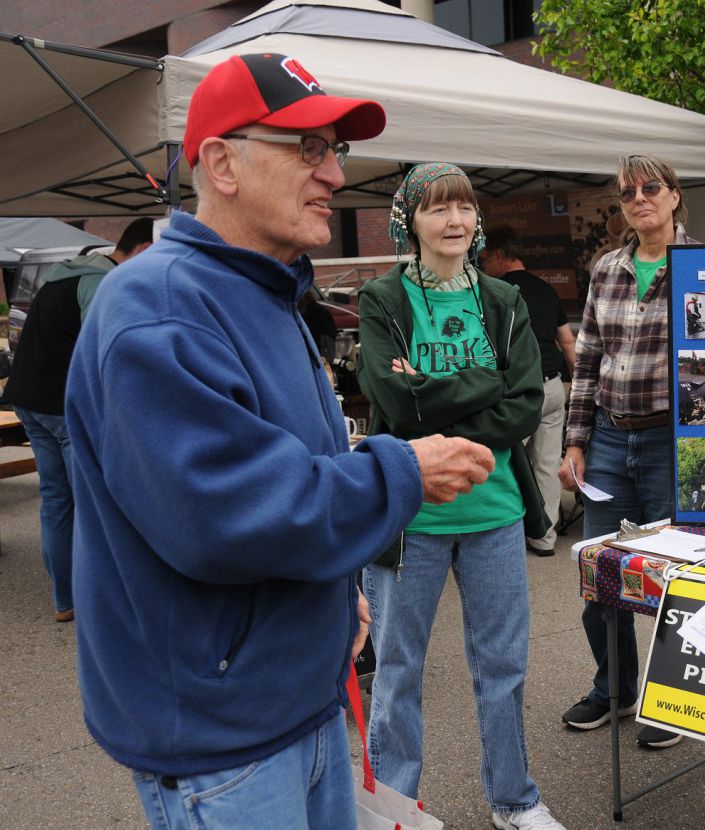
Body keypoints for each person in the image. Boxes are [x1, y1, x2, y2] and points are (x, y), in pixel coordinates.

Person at [64, 53, 495, 829]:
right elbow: (226, 516)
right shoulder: (158, 307)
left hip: (299, 701)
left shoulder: (267, 291)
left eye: (336, 150)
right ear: (223, 164)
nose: (333, 174)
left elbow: (301, 466)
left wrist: (340, 595)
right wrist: (400, 470)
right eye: (308, 148)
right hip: (222, 741)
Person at [357, 163, 564, 830]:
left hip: (494, 512)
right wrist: (484, 381)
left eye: (465, 208)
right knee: (397, 670)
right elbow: (393, 400)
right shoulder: (383, 300)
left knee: (502, 666)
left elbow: (524, 408)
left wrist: (437, 404)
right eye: (437, 209)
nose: (455, 221)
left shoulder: (503, 302)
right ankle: (394, 810)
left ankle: (514, 800)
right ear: (408, 222)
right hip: (410, 516)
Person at [558, 154, 694, 749]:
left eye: (649, 188)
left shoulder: (700, 267)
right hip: (611, 436)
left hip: (673, 440)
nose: (638, 199)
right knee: (600, 571)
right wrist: (576, 440)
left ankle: (676, 703)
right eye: (626, 193)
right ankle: (614, 691)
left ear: (673, 196)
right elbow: (587, 361)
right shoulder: (607, 267)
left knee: (676, 578)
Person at [3, 217, 152, 622]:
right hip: (62, 405)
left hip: (27, 397)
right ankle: (98, 603)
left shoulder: (61, 275)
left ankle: (64, 600)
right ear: (141, 250)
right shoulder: (101, 282)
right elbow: (101, 348)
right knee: (89, 501)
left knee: (55, 499)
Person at [480, 224, 576, 556]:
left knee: (500, 462)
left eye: (484, 258)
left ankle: (496, 534)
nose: (483, 266)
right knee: (546, 465)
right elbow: (567, 342)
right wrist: (579, 388)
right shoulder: (547, 290)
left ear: (498, 255)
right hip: (552, 387)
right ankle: (544, 538)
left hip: (516, 391)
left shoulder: (492, 292)